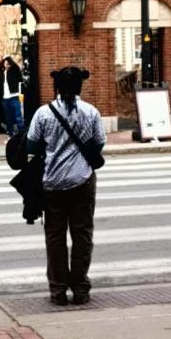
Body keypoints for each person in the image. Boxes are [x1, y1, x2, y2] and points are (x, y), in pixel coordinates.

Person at [25, 66, 105, 305]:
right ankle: (80, 288)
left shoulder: (43, 113)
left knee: (55, 237)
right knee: (82, 235)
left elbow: (31, 146)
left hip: (52, 183)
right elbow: (99, 143)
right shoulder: (90, 112)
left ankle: (58, 290)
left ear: (57, 87)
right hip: (82, 181)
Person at [2, 56, 24, 135]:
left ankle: (21, 132)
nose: (6, 65)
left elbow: (16, 67)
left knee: (18, 116)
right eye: (5, 64)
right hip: (5, 97)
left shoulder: (14, 70)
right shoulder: (3, 72)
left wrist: (9, 59)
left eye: (8, 64)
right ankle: (10, 132)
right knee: (8, 117)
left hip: (14, 96)